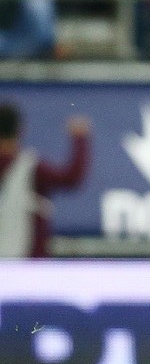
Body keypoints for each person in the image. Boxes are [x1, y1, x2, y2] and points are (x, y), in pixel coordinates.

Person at [0, 102, 91, 258]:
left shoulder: (30, 167)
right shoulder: (30, 168)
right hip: (28, 263)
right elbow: (71, 178)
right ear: (20, 130)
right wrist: (80, 138)